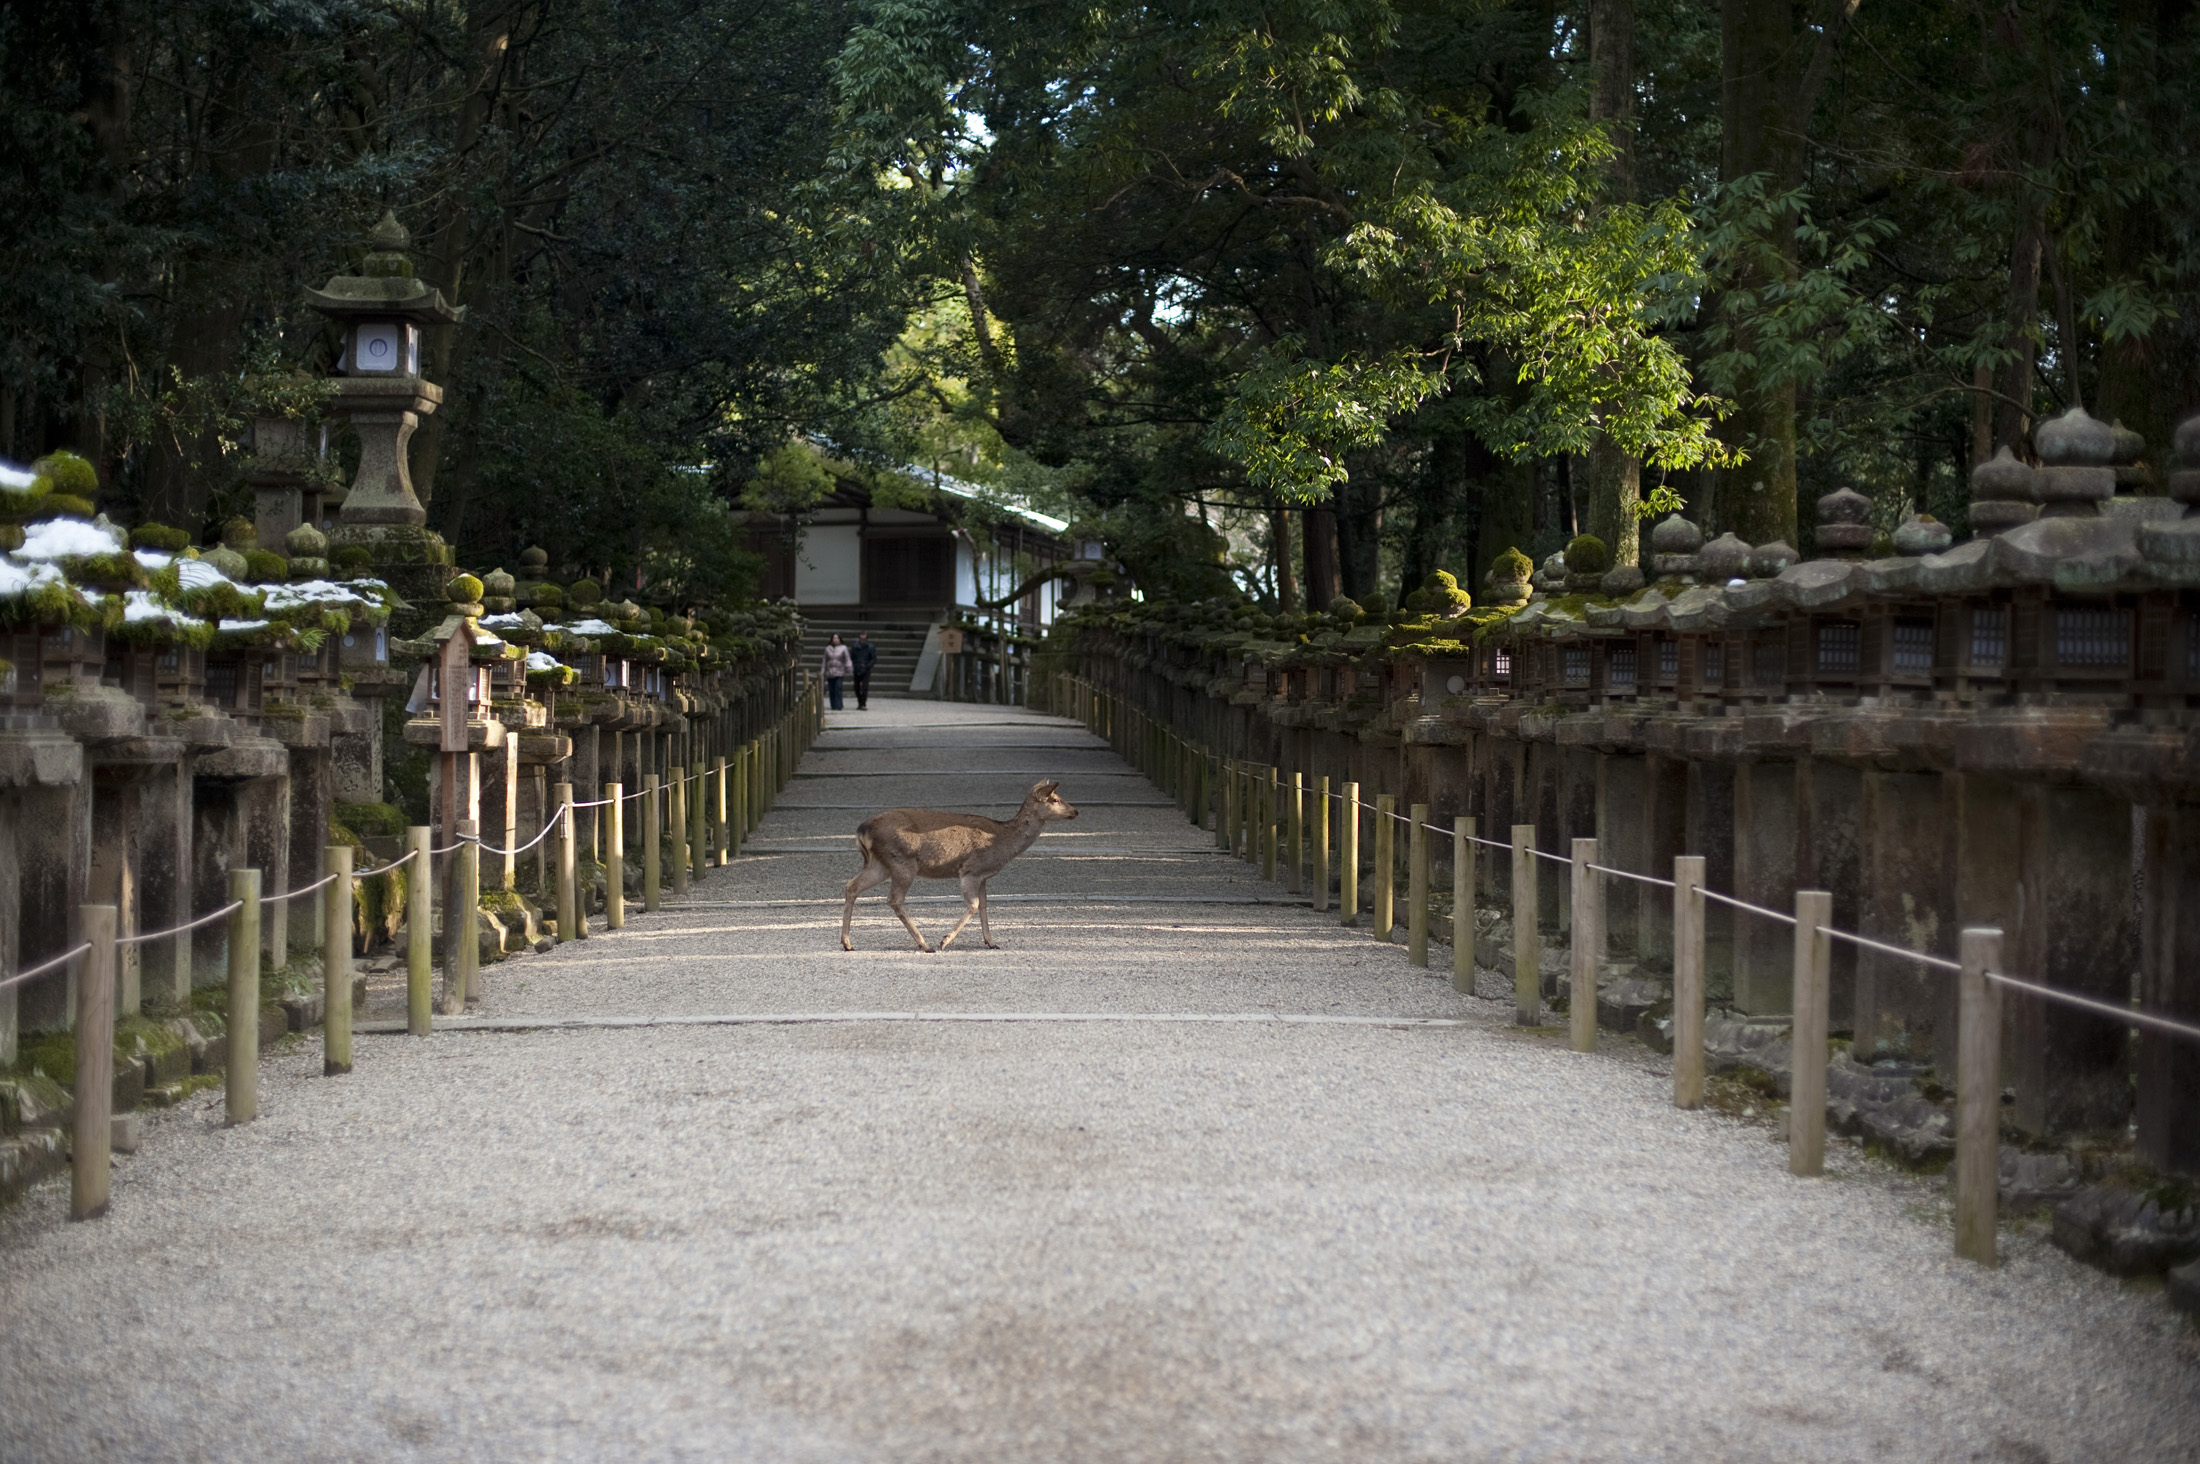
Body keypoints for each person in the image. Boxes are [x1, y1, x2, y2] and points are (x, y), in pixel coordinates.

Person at [822, 633, 852, 711]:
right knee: (831, 689)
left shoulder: (843, 648)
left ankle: (839, 704)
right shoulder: (828, 648)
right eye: (834, 638)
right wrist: (823, 670)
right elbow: (824, 660)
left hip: (839, 671)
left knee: (838, 688)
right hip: (830, 671)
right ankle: (833, 704)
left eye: (837, 638)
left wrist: (849, 667)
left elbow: (847, 658)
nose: (835, 640)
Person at [850, 632, 878, 710]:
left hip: (866, 669)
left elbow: (873, 658)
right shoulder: (855, 646)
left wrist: (868, 666)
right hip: (857, 668)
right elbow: (852, 656)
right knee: (856, 687)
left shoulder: (870, 647)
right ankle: (860, 701)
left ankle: (863, 703)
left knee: (864, 687)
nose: (862, 637)